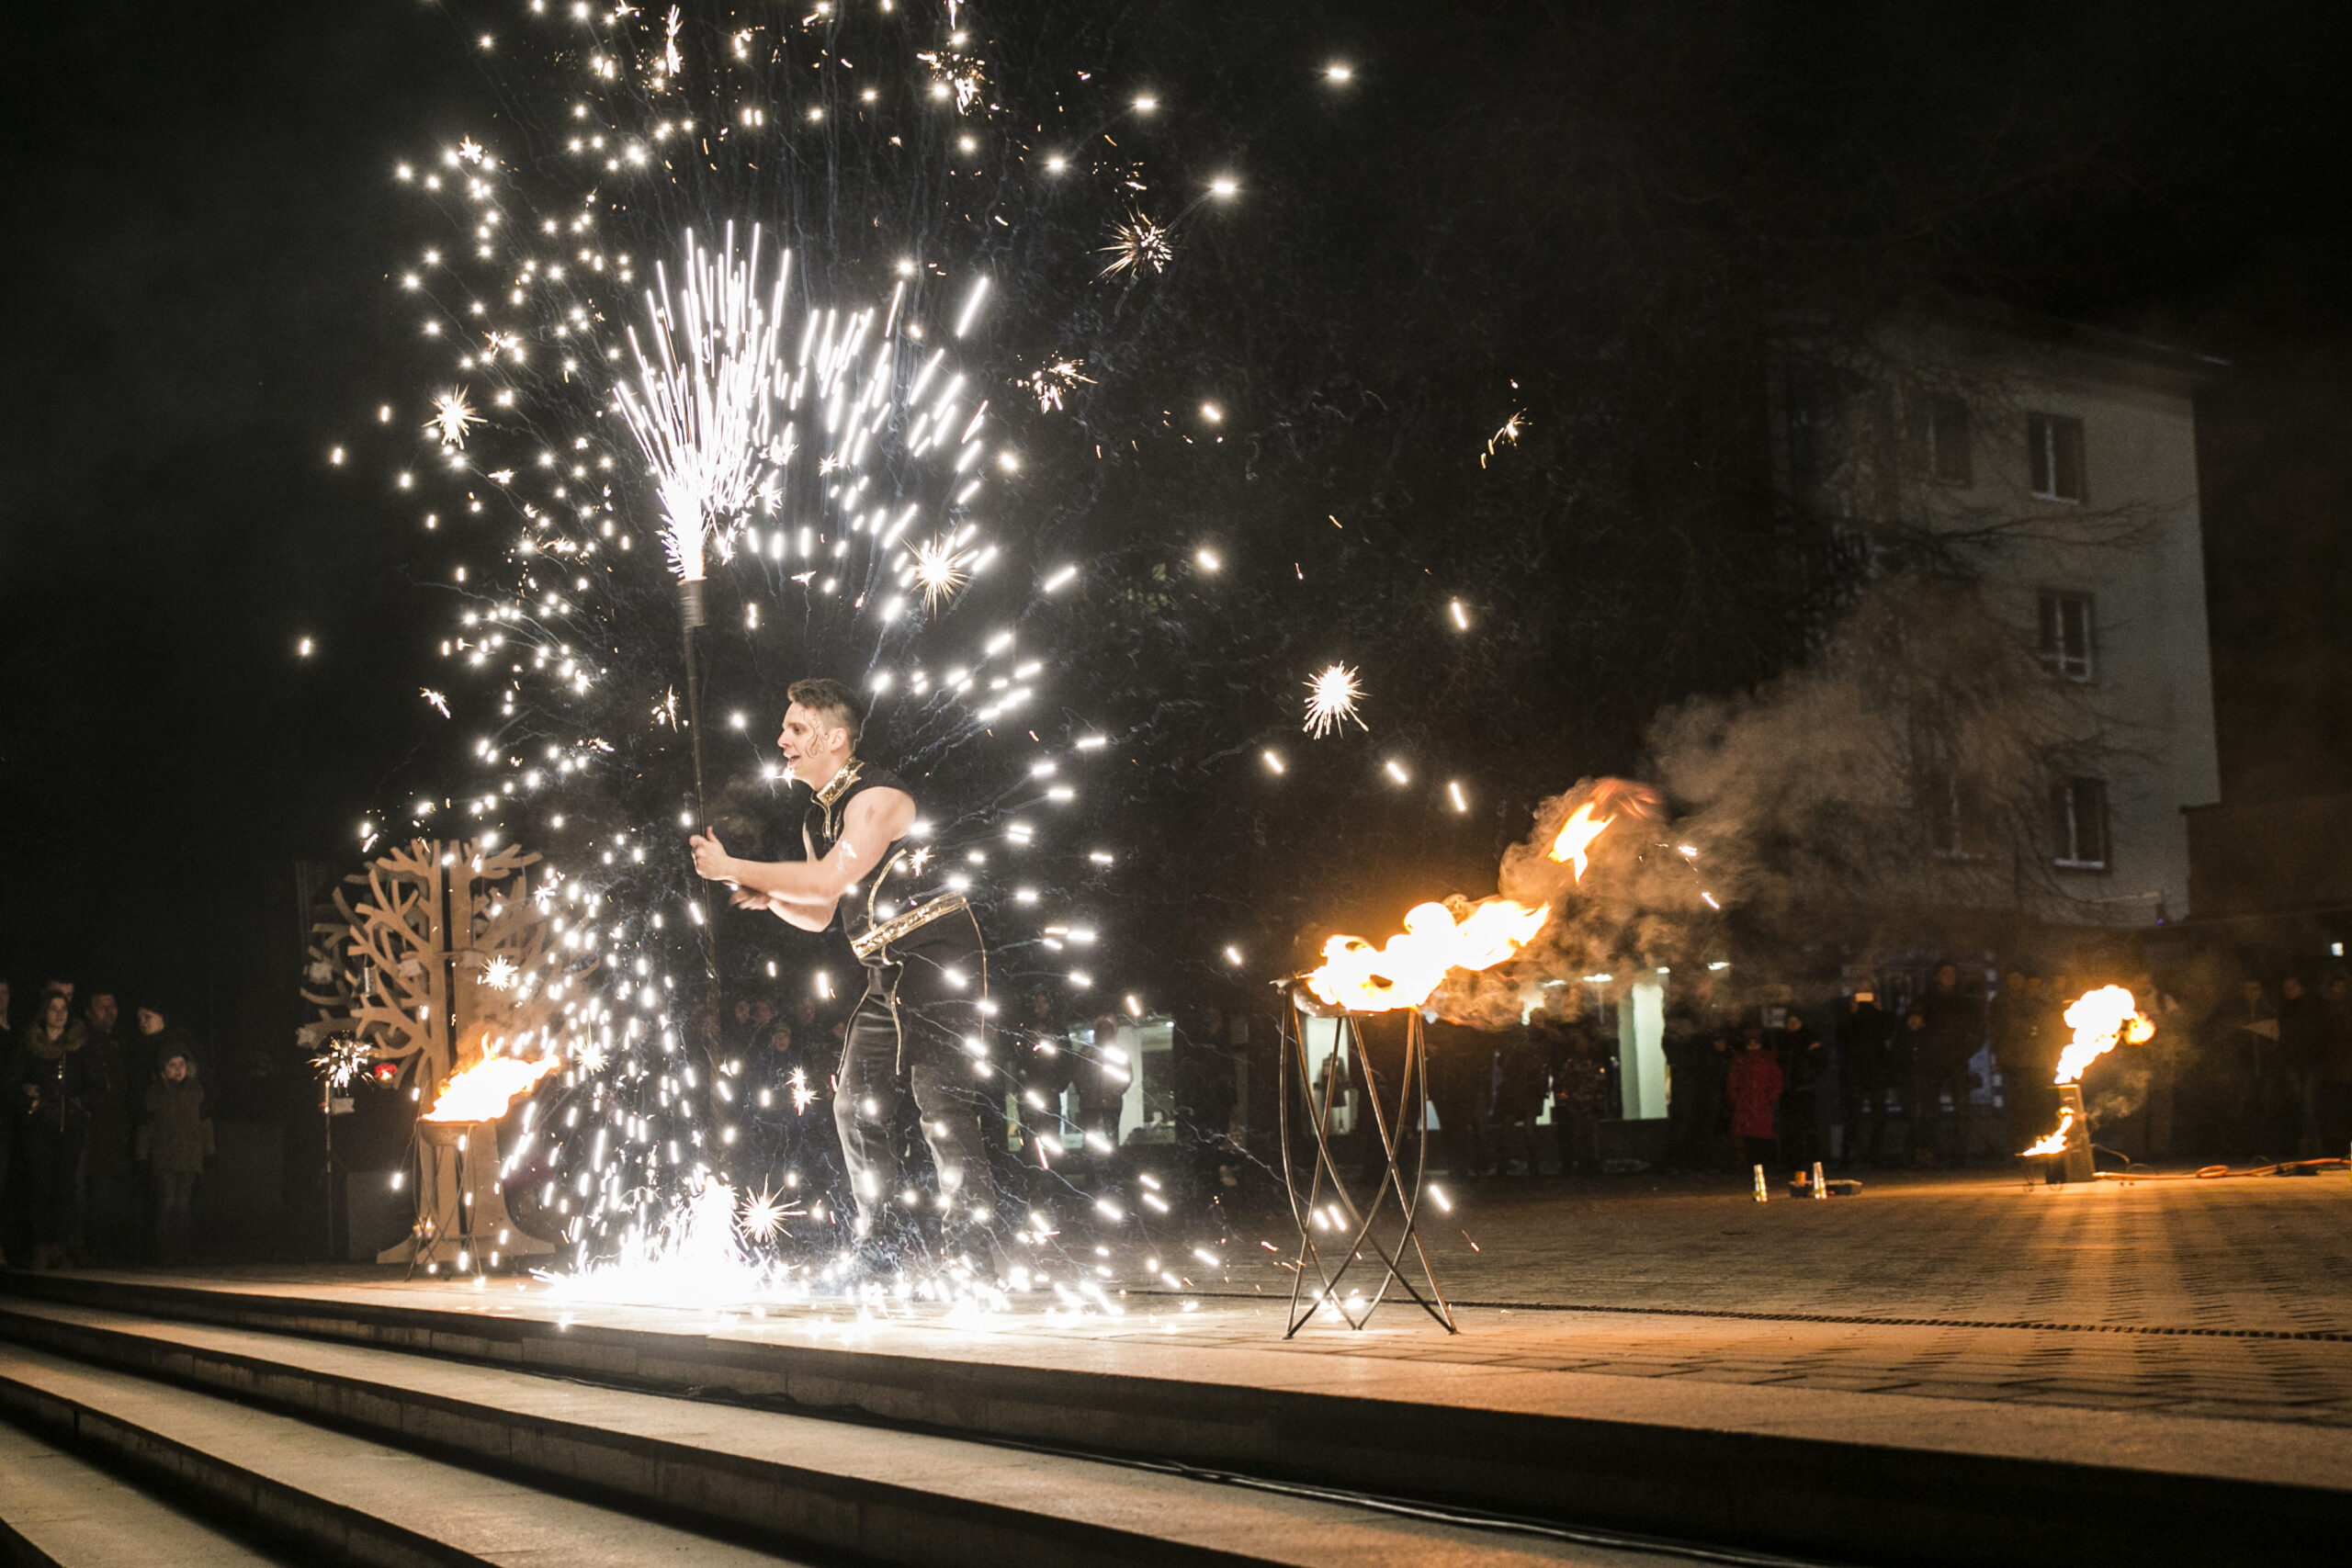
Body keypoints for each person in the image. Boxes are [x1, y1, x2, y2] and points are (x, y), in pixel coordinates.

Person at [689, 677, 1001, 1264]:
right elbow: (820, 913)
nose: (781, 740)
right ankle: (878, 1246)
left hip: (937, 960)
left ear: (835, 738)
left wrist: (737, 865)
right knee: (853, 1105)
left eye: (796, 729)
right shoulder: (818, 818)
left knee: (941, 1105)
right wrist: (765, 894)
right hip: (884, 973)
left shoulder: (875, 799)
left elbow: (828, 878)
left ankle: (970, 1255)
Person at [13, 993, 91, 1269]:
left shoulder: (79, 1046)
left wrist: (81, 1105)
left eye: (63, 1008)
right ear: (43, 1012)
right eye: (53, 1008)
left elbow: (94, 1082)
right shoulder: (30, 1044)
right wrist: (28, 1098)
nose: (59, 1013)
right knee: (41, 1185)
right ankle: (40, 1246)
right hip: (41, 1125)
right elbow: (13, 1081)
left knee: (64, 1187)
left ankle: (59, 1246)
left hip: (70, 1126)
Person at [137, 1045, 212, 1265]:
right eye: (172, 1065)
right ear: (163, 1070)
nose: (178, 1069)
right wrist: (142, 1154)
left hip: (189, 1156)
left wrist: (209, 1152)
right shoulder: (155, 1094)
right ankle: (164, 1251)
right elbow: (146, 1127)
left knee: (184, 1204)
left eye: (181, 1064)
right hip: (165, 1156)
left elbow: (205, 1124)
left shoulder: (196, 1091)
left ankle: (182, 1250)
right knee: (168, 1202)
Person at [77, 991, 137, 1263]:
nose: (109, 1010)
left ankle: (114, 1248)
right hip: (94, 1126)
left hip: (118, 1125)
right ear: (89, 1012)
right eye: (101, 1006)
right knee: (96, 1186)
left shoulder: (121, 1042)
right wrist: (90, 1104)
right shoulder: (84, 1041)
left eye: (112, 1005)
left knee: (115, 1187)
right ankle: (94, 1247)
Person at [1907, 964, 1985, 1166]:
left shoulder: (1964, 1003)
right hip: (1932, 1062)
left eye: (1953, 973)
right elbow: (1912, 1027)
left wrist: (1966, 1050)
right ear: (1936, 977)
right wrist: (1926, 1048)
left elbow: (1979, 1030)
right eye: (1945, 973)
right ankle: (1930, 1150)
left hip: (1957, 1060)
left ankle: (1961, 1153)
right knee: (1930, 1108)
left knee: (1962, 1108)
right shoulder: (1926, 1001)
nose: (1949, 977)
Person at [1838, 988, 1898, 1168]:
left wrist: (1880, 1011)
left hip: (1875, 1071)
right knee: (1853, 1115)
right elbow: (1841, 1035)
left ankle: (1875, 1154)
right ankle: (1848, 1155)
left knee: (1877, 1115)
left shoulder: (1880, 1016)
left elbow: (1889, 1032)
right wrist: (1852, 1012)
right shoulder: (1849, 1015)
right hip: (1856, 1071)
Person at [1775, 1010, 1827, 1176]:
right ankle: (1794, 1161)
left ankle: (1811, 1161)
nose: (1792, 1025)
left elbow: (1820, 1063)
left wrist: (1807, 1076)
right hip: (1788, 1091)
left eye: (1795, 1022)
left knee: (1807, 1127)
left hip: (1804, 1090)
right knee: (1791, 1128)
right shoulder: (1784, 1040)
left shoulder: (1809, 1039)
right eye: (1789, 1022)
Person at [1725, 1028, 1783, 1173]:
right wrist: (1735, 1097)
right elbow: (1733, 1080)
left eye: (1755, 1042)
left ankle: (1761, 1162)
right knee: (1748, 1134)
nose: (1752, 1045)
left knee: (1761, 1133)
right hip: (1746, 1101)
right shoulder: (1741, 1060)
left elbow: (1776, 1080)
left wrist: (1771, 1097)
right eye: (1749, 1043)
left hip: (1761, 1101)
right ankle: (1750, 1163)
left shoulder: (1767, 1060)